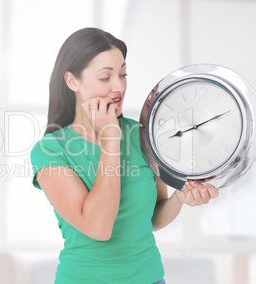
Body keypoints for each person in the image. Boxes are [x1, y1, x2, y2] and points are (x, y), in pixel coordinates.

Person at [30, 27, 219, 284]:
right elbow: (98, 228)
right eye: (105, 78)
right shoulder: (51, 150)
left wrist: (179, 198)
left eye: (123, 74)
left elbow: (152, 218)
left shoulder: (143, 135)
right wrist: (110, 139)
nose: (118, 87)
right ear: (72, 81)